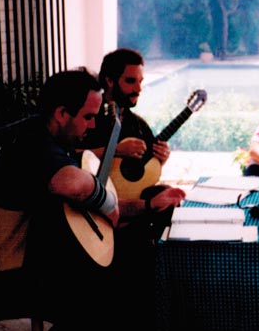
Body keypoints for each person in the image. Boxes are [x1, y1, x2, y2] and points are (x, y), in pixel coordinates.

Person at [0, 69, 119, 329]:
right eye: (88, 117)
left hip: (33, 274)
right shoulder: (32, 145)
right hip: (13, 288)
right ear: (61, 114)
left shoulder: (49, 140)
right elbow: (72, 183)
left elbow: (76, 205)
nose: (93, 125)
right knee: (110, 293)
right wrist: (108, 202)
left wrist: (144, 206)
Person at [80, 48, 185, 330]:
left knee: (168, 200)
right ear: (110, 81)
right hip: (94, 216)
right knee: (138, 265)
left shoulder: (137, 124)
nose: (139, 88)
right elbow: (73, 157)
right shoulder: (91, 118)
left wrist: (161, 157)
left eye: (140, 80)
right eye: (130, 81)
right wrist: (114, 150)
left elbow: (145, 172)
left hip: (130, 211)